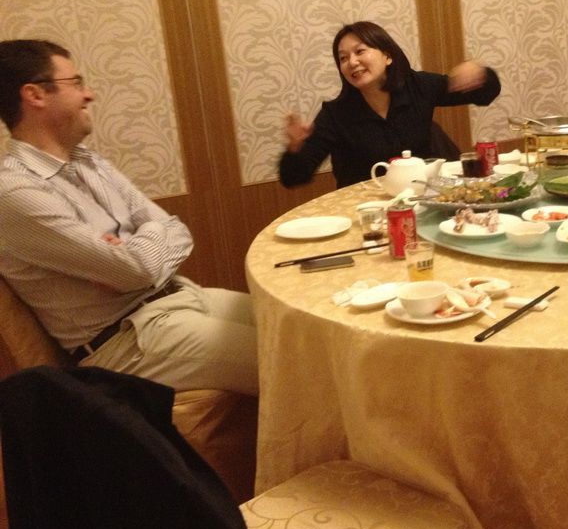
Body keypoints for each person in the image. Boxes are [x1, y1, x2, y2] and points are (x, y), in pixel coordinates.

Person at [0, 39, 257, 395]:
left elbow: (177, 232)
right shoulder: (13, 192)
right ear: (35, 95)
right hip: (125, 341)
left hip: (177, 296)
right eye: (75, 83)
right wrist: (138, 254)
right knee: (292, 358)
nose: (88, 94)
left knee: (300, 322)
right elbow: (134, 268)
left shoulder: (88, 161)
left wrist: (134, 250)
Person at [280, 21, 501, 188]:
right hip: (365, 211)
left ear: (387, 56)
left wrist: (479, 74)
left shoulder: (418, 87)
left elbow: (485, 94)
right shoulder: (335, 114)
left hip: (421, 199)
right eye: (343, 58)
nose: (352, 62)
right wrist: (295, 147)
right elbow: (294, 178)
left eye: (360, 51)